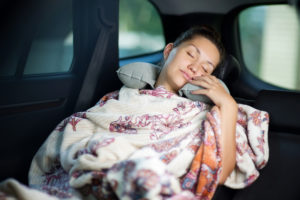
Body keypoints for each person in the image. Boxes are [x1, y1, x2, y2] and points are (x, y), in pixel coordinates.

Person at [155, 26, 238, 184]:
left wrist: (229, 104)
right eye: (190, 54)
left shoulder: (201, 115)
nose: (194, 68)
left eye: (205, 69)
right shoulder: (122, 97)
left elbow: (219, 174)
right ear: (168, 51)